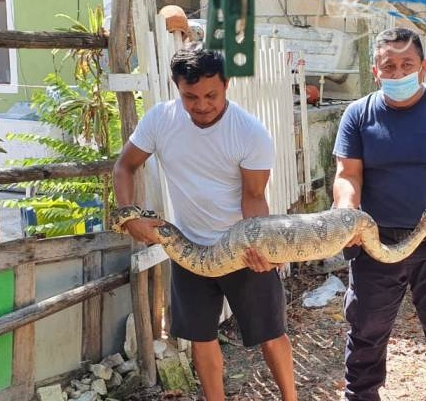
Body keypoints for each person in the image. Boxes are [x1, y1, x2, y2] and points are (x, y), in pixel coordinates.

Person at [113, 47, 297, 401]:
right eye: (190, 96)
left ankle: (291, 397)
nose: (201, 105)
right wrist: (129, 214)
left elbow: (254, 196)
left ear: (226, 85)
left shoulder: (249, 132)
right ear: (176, 86)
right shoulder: (159, 120)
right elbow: (124, 166)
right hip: (189, 249)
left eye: (211, 95)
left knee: (271, 332)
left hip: (241, 249)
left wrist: (262, 249)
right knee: (200, 335)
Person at [332, 27, 426, 401]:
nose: (398, 73)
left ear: (423, 67)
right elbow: (347, 176)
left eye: (407, 64)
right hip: (374, 242)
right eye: (389, 66)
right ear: (375, 71)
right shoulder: (358, 115)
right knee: (366, 331)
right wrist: (347, 215)